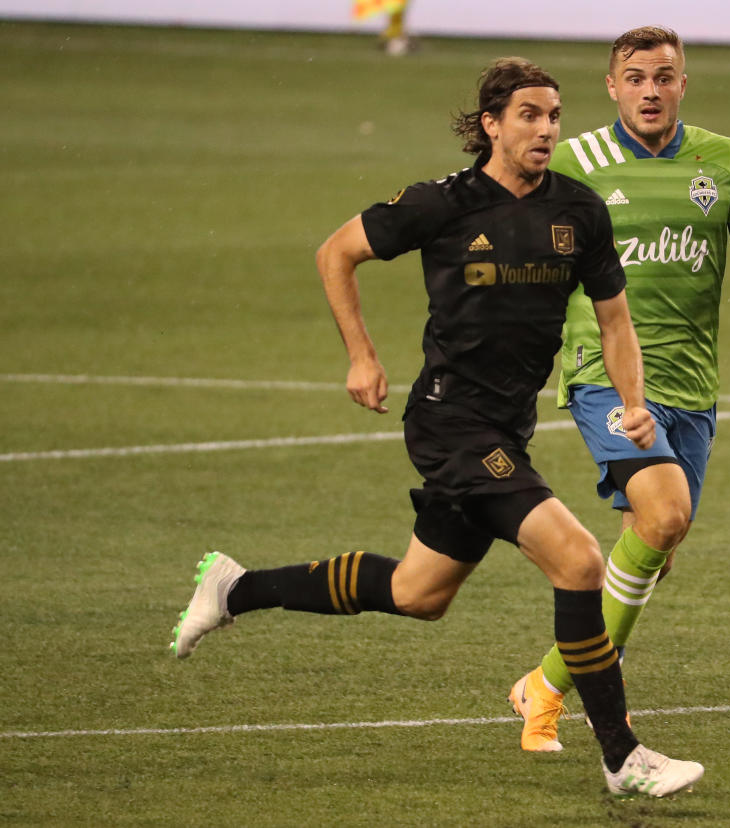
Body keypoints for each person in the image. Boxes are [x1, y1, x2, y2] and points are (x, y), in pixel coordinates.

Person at [170, 57, 703, 798]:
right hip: (451, 422)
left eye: (554, 115)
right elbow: (337, 252)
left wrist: (634, 399)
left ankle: (234, 590)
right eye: (529, 115)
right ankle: (623, 757)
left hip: (505, 430)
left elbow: (615, 320)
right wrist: (361, 356)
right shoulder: (442, 204)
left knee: (420, 592)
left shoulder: (579, 210)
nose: (546, 129)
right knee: (580, 561)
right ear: (491, 124)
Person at [508, 26, 730, 752]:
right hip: (603, 376)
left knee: (656, 544)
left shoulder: (723, 161)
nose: (650, 90)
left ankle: (545, 679)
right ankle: (598, 703)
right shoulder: (574, 166)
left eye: (664, 77)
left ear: (682, 84)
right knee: (664, 517)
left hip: (692, 384)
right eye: (635, 77)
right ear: (612, 87)